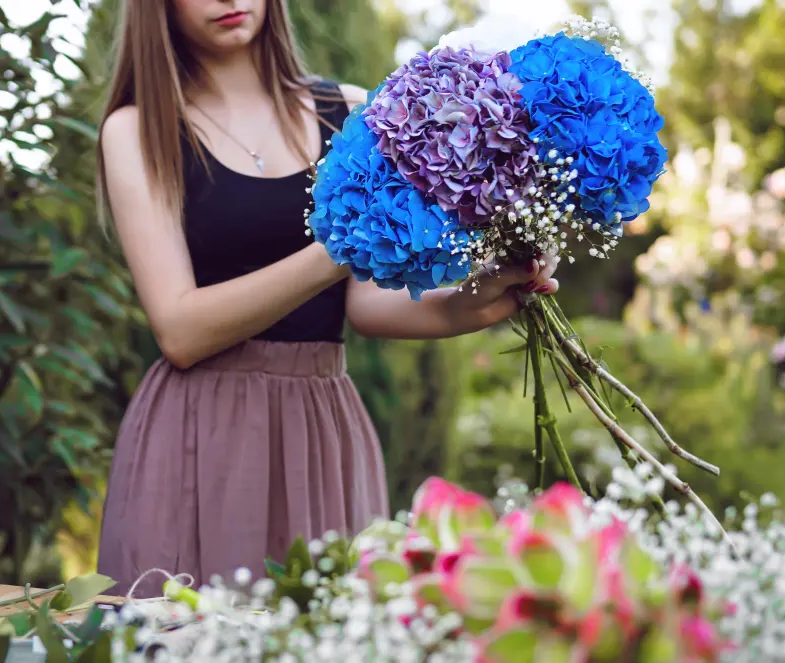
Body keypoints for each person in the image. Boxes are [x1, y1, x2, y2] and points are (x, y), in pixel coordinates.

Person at [95, 0, 560, 598]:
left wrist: (487, 292)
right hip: (199, 436)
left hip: (319, 429)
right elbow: (181, 330)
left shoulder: (351, 111)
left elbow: (366, 305)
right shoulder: (139, 128)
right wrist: (343, 246)